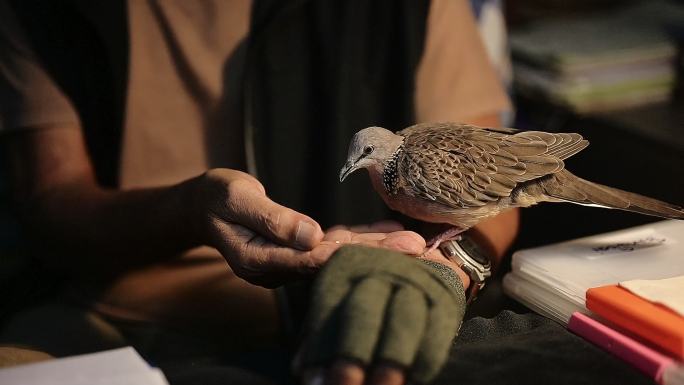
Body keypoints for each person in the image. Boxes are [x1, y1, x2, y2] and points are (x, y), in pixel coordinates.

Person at [0, 0, 518, 384]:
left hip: (358, 291)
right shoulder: (52, 10)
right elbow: (50, 206)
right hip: (117, 319)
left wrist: (450, 268)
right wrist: (186, 210)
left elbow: (492, 175)